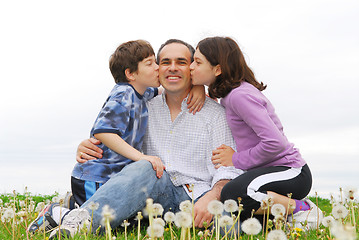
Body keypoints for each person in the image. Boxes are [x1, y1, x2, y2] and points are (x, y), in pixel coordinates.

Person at [47, 39, 242, 238]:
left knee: (228, 229)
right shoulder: (144, 106)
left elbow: (228, 169)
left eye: (181, 62)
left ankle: (66, 210)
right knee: (146, 166)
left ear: (192, 68)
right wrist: (88, 144)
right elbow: (113, 131)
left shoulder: (216, 115)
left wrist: (212, 196)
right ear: (158, 69)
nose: (172, 68)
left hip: (197, 195)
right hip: (151, 190)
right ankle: (78, 224)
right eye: (165, 62)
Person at [190, 36, 323, 229]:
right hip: (268, 173)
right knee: (240, 204)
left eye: (197, 62)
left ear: (217, 69)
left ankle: (301, 208)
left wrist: (236, 159)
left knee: (233, 194)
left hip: (290, 172)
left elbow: (276, 143)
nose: (192, 67)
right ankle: (282, 218)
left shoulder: (240, 96)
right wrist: (199, 87)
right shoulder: (231, 95)